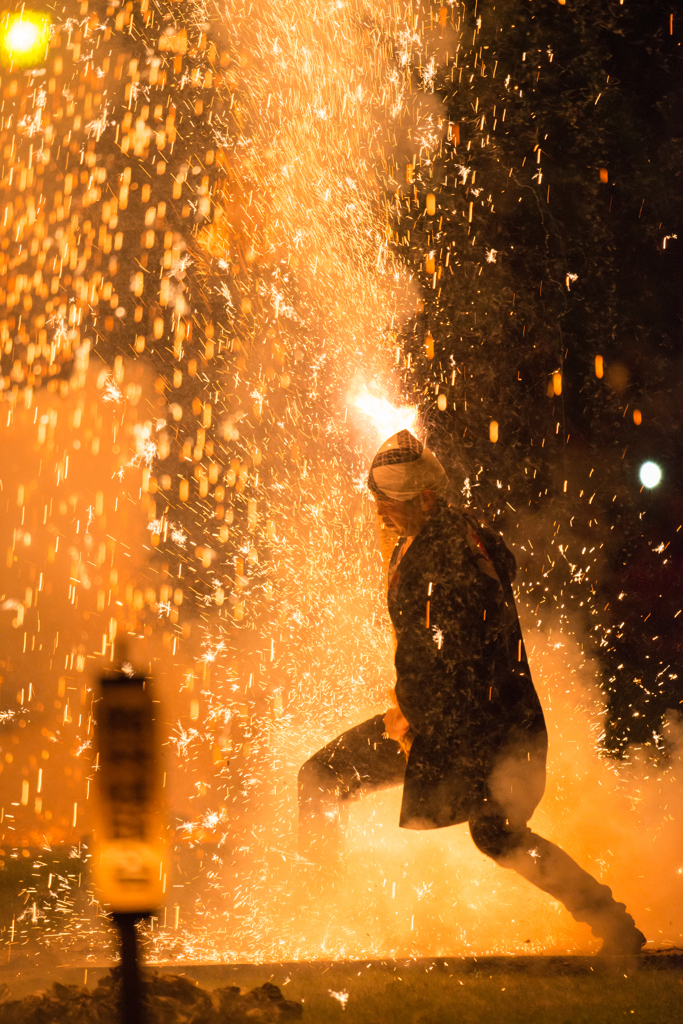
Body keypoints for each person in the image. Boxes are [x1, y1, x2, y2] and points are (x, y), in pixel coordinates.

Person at [298, 429, 645, 955]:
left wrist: (413, 721)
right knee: (496, 834)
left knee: (322, 776)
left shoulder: (447, 560)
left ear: (426, 499)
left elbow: (447, 658)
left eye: (389, 503)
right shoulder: (460, 535)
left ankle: (314, 927)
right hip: (487, 723)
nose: (380, 513)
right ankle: (612, 922)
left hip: (466, 729)